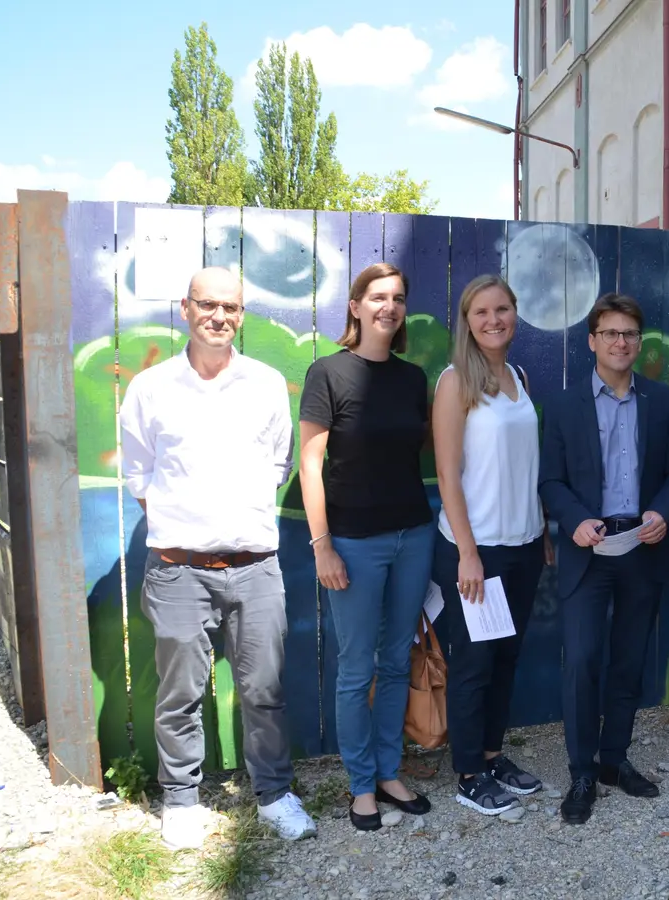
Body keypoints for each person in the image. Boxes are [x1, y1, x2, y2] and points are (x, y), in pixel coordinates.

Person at [118, 266, 315, 850]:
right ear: (186, 309)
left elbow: (278, 463)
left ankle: (274, 795)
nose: (219, 316)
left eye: (230, 307)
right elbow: (139, 476)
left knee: (265, 691)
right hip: (179, 569)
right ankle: (181, 801)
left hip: (256, 569)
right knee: (180, 694)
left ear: (241, 315)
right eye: (208, 305)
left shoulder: (266, 384)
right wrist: (191, 524)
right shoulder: (150, 389)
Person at [539, 294, 669, 824]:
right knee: (583, 660)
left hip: (642, 546)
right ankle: (581, 771)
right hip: (589, 548)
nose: (621, 342)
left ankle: (614, 759)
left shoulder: (659, 399)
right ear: (592, 341)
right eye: (610, 333)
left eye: (629, 333)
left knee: (629, 660)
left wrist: (663, 513)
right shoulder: (565, 405)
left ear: (638, 341)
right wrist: (575, 520)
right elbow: (550, 481)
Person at [297, 262, 435, 831]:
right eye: (377, 296)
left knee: (397, 660)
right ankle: (360, 786)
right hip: (353, 543)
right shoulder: (327, 372)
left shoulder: (413, 379)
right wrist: (322, 546)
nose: (389, 306)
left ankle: (388, 771)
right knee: (357, 669)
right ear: (355, 306)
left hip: (414, 535)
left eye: (398, 297)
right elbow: (310, 465)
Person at [432, 274, 549, 815]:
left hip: (523, 543)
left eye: (502, 309)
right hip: (478, 550)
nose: (493, 320)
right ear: (467, 321)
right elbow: (448, 475)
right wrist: (467, 553)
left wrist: (540, 526)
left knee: (505, 658)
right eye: (481, 312)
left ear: (515, 314)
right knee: (475, 663)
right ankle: (468, 774)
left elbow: (523, 463)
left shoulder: (518, 376)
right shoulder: (456, 381)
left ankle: (492, 754)